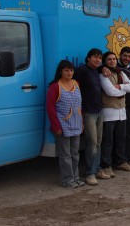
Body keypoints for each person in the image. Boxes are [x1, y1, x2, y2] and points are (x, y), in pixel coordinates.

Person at [46, 60, 84, 189]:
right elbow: (50, 109)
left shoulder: (76, 84)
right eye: (66, 70)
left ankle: (76, 177)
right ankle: (68, 180)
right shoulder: (55, 87)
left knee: (75, 153)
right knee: (65, 155)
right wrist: (56, 127)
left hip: (76, 124)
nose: (69, 73)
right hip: (62, 126)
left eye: (71, 70)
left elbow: (79, 106)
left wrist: (82, 122)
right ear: (60, 71)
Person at [73, 48, 108, 185]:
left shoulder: (96, 70)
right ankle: (89, 173)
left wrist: (103, 67)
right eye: (95, 57)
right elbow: (74, 87)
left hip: (99, 111)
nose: (98, 60)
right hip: (88, 112)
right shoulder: (81, 70)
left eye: (100, 58)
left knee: (98, 142)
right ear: (88, 58)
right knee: (92, 142)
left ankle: (97, 169)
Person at [99, 51, 130, 177]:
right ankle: (106, 165)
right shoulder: (103, 74)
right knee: (108, 141)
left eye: (114, 59)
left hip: (122, 111)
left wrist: (120, 87)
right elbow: (110, 92)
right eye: (109, 59)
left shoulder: (120, 72)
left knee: (121, 139)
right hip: (109, 111)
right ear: (105, 61)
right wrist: (124, 90)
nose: (112, 61)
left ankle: (121, 161)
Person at [117, 46, 130, 165]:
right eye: (124, 56)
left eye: (129, 56)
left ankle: (128, 157)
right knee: (120, 135)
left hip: (129, 107)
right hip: (119, 107)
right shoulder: (116, 69)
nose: (127, 58)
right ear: (120, 55)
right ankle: (120, 159)